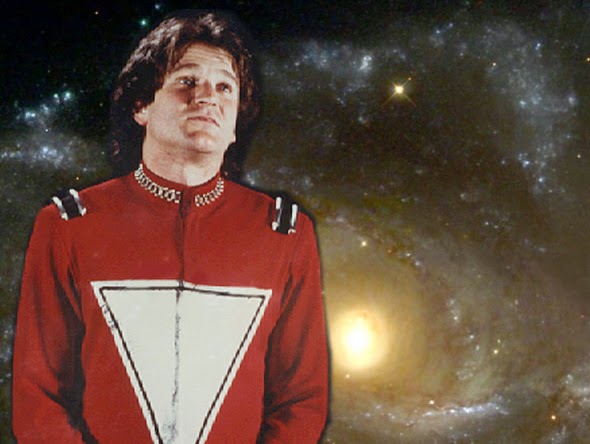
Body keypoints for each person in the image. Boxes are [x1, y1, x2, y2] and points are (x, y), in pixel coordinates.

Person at [12, 10, 328, 443]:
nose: (207, 98)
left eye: (225, 87)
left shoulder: (285, 233)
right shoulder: (68, 225)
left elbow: (301, 400)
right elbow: (38, 397)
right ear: (141, 105)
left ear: (235, 125)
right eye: (187, 81)